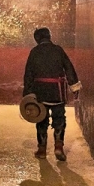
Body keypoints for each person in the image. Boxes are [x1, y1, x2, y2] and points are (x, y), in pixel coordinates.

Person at [23, 27, 82, 161]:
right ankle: (58, 147)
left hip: (40, 92)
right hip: (57, 91)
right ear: (49, 36)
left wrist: (27, 95)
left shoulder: (34, 52)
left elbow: (28, 75)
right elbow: (69, 68)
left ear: (37, 39)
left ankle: (42, 150)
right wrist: (74, 87)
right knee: (59, 118)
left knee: (41, 120)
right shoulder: (58, 50)